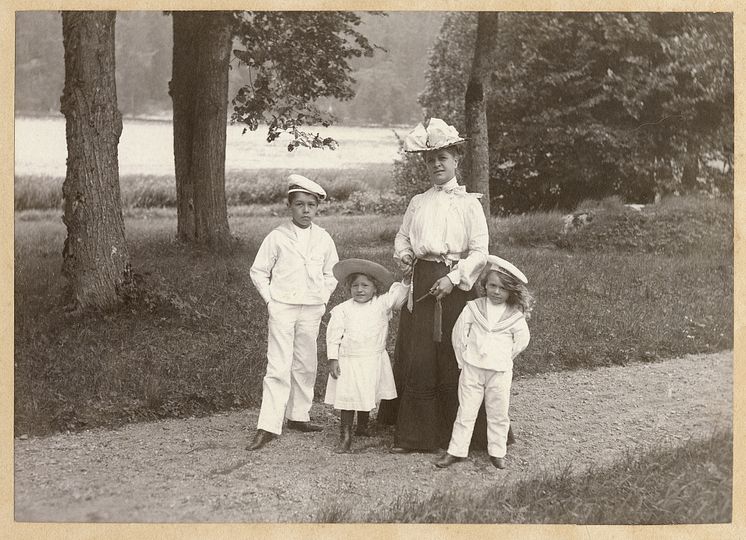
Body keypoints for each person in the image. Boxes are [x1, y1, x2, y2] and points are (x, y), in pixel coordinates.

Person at [378, 118, 490, 453]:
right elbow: (401, 235)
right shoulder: (418, 202)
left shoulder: (469, 204)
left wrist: (454, 278)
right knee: (421, 356)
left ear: (457, 159)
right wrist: (405, 252)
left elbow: (480, 251)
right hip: (424, 284)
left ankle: (458, 433)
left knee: (455, 356)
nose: (437, 164)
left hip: (457, 286)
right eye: (431, 159)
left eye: (443, 157)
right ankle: (416, 435)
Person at [246, 174, 339, 451]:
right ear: (290, 206)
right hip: (283, 307)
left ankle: (299, 415)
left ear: (318, 207)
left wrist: (322, 300)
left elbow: (331, 273)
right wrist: (271, 301)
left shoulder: (323, 238)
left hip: (311, 308)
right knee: (278, 364)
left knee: (306, 362)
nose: (306, 210)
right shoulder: (277, 237)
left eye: (311, 205)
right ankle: (268, 425)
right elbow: (258, 271)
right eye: (300, 204)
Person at [436, 255, 532, 469]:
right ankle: (456, 450)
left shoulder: (514, 316)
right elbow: (459, 335)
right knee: (466, 411)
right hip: (472, 368)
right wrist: (464, 360)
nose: (496, 292)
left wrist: (505, 357)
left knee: (498, 411)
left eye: (503, 288)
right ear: (485, 285)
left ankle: (497, 451)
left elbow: (522, 342)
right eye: (492, 286)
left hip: (499, 372)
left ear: (511, 292)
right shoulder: (473, 308)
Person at [324, 259, 411, 452]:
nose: (360, 290)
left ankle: (362, 426)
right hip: (350, 359)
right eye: (355, 286)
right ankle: (345, 435)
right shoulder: (343, 310)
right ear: (349, 288)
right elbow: (333, 336)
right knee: (349, 396)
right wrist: (333, 358)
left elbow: (398, 297)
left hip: (372, 358)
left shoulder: (381, 304)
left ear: (375, 288)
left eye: (365, 285)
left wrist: (406, 280)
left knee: (367, 392)